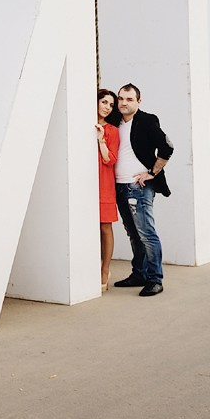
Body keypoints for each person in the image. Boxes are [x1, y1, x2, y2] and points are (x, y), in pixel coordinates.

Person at [109, 84, 172, 297]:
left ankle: (156, 279)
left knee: (147, 234)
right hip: (119, 185)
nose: (123, 103)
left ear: (139, 101)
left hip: (139, 186)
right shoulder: (115, 120)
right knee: (133, 234)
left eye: (129, 99)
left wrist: (152, 172)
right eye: (121, 99)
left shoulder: (146, 120)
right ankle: (139, 274)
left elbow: (167, 147)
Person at [96, 88, 119, 292]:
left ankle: (105, 270)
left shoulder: (112, 130)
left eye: (111, 105)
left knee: (105, 227)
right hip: (87, 184)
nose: (107, 107)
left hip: (104, 184)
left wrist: (101, 138)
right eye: (104, 102)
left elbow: (109, 159)